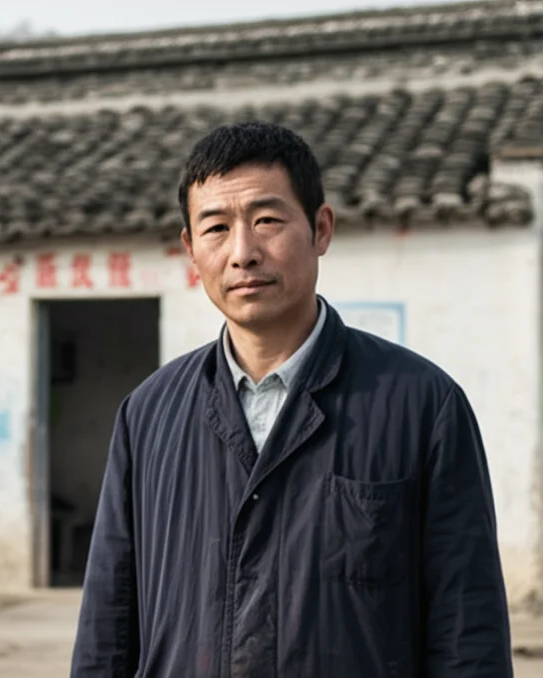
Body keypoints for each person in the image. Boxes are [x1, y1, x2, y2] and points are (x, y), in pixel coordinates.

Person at [69, 121, 512, 677]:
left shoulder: (422, 406)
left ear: (320, 229)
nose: (243, 253)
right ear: (189, 248)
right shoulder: (149, 414)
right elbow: (107, 628)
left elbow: (467, 631)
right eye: (215, 228)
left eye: (267, 221)